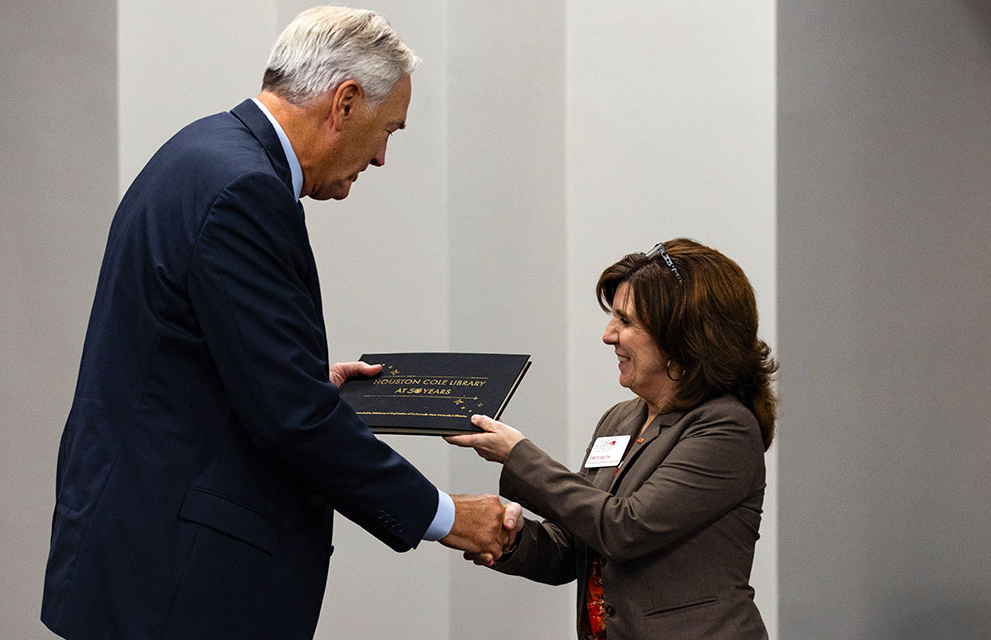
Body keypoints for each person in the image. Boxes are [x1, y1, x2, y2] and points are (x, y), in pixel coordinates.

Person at [41, 7, 511, 639]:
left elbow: (185, 352)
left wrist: (295, 375)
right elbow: (293, 418)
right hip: (181, 584)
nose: (379, 159)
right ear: (344, 103)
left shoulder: (198, 151)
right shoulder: (246, 190)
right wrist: (448, 516)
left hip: (140, 555)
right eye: (387, 132)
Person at [447, 238, 776, 639]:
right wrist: (511, 540)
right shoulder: (620, 420)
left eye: (626, 321)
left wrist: (517, 454)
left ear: (682, 336)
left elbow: (624, 529)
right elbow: (576, 546)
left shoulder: (726, 428)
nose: (608, 335)